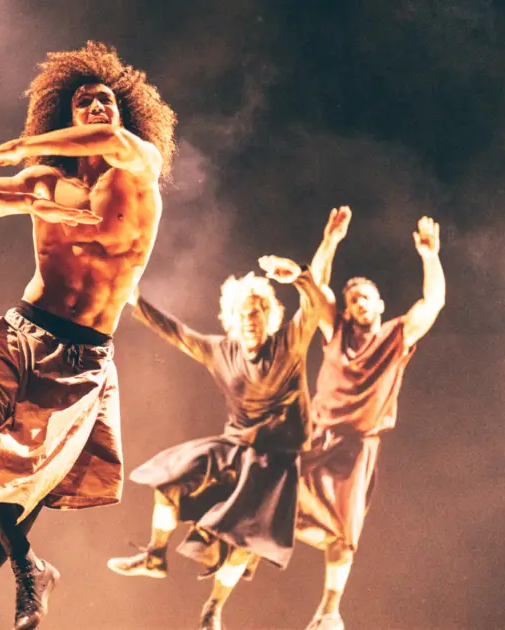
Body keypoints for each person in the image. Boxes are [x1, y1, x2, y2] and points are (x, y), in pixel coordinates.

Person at [0, 41, 176, 630]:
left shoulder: (137, 166)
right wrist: (31, 204)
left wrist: (20, 145)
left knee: (27, 482)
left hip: (82, 356)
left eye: (106, 100)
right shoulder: (47, 180)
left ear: (124, 114)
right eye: (83, 100)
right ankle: (28, 567)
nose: (96, 107)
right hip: (21, 330)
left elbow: (109, 141)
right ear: (66, 115)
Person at [106, 255, 333, 630]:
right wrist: (137, 302)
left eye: (256, 312)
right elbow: (178, 334)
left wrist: (301, 277)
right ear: (231, 318)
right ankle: (155, 555)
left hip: (276, 462)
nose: (249, 320)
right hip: (235, 449)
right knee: (170, 478)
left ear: (268, 316)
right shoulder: (221, 351)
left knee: (245, 540)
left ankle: (213, 608)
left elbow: (312, 309)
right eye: (243, 314)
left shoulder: (288, 346)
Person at [296, 211, 446, 630]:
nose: (359, 304)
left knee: (345, 530)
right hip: (319, 438)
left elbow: (432, 303)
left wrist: (430, 257)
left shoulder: (397, 336)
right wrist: (329, 242)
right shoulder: (337, 331)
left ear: (380, 305)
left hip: (357, 445)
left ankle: (329, 611)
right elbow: (315, 288)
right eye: (353, 301)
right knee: (273, 492)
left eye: (366, 298)